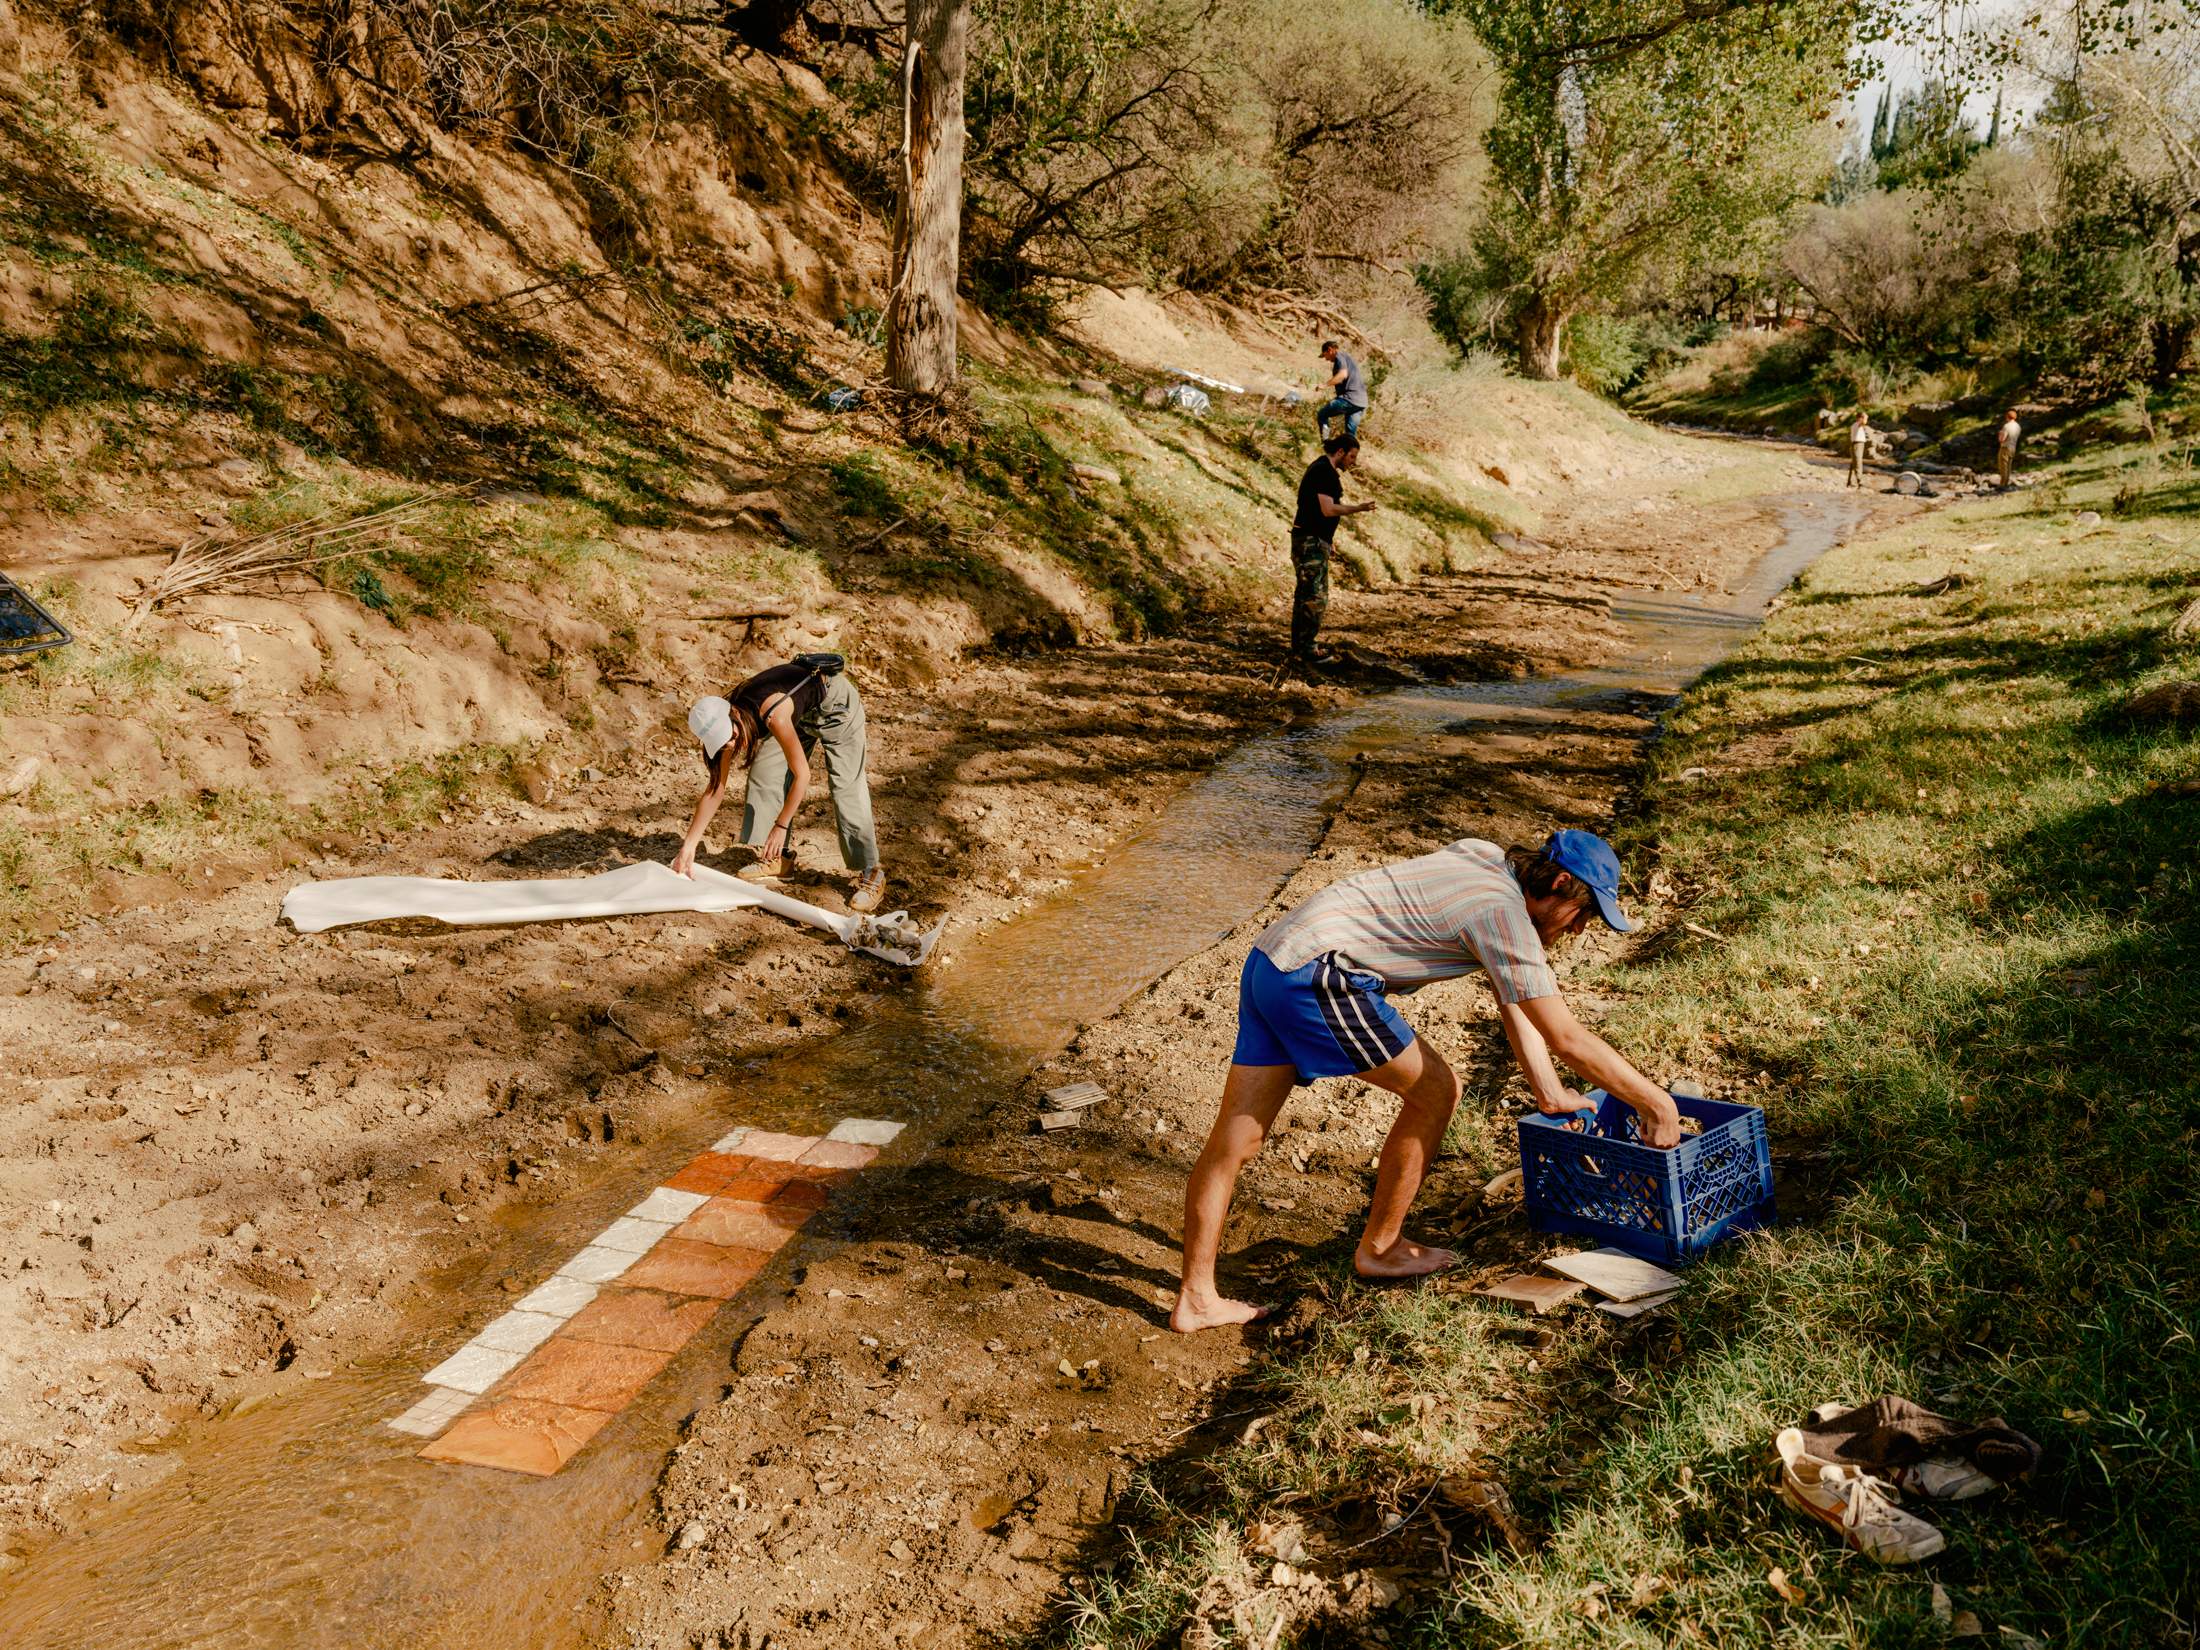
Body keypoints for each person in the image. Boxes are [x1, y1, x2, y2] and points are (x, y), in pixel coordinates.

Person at [1172, 830, 1684, 1333]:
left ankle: (1197, 1299)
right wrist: (1655, 1104)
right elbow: (1566, 1036)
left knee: (1234, 1140)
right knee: (1437, 1092)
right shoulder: (1502, 914)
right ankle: (1380, 1250)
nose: (1578, 931)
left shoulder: (1484, 859)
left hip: (1272, 960)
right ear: (1559, 883)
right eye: (1584, 914)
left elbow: (1515, 996)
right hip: (1321, 977)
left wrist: (1548, 1091)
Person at [675, 656, 888, 913]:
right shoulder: (730, 728)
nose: (730, 744)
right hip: (799, 714)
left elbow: (803, 776)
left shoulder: (772, 713)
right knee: (764, 773)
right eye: (721, 741)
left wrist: (781, 824)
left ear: (732, 713)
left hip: (835, 708)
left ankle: (871, 871)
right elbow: (715, 789)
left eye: (729, 736)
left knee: (845, 786)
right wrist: (689, 846)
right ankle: (778, 858)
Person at [1285, 433, 1375, 678]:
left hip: (1312, 539)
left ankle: (1301, 646)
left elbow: (1316, 510)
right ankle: (1307, 648)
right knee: (1315, 596)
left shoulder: (1321, 468)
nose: (1353, 462)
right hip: (1310, 541)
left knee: (1306, 594)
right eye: (1352, 456)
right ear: (1340, 452)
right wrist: (1358, 508)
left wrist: (1328, 540)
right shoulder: (1324, 471)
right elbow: (1328, 509)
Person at [1315, 339, 1369, 441]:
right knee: (1350, 435)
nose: (1326, 359)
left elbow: (1342, 375)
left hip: (1350, 399)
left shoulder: (1339, 357)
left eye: (1325, 355)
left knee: (1322, 414)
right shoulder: (1346, 357)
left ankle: (1326, 443)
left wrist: (1325, 385)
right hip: (1361, 402)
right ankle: (1349, 454)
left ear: (1330, 350)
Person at [1997, 409, 2021, 489]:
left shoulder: (2006, 426)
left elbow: (2002, 439)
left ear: (2007, 416)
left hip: (2005, 447)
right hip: (2013, 447)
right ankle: (2006, 482)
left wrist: (2000, 434)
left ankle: (2003, 484)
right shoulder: (2018, 426)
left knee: (2003, 466)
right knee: (2009, 466)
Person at [1848, 410, 1871, 489]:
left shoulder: (1855, 425)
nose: (1866, 419)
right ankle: (1859, 482)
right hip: (1857, 444)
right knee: (1858, 463)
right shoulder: (1857, 424)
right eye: (1863, 417)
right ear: (1860, 418)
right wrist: (1865, 416)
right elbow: (1864, 422)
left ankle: (1849, 481)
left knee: (1854, 463)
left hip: (1858, 444)